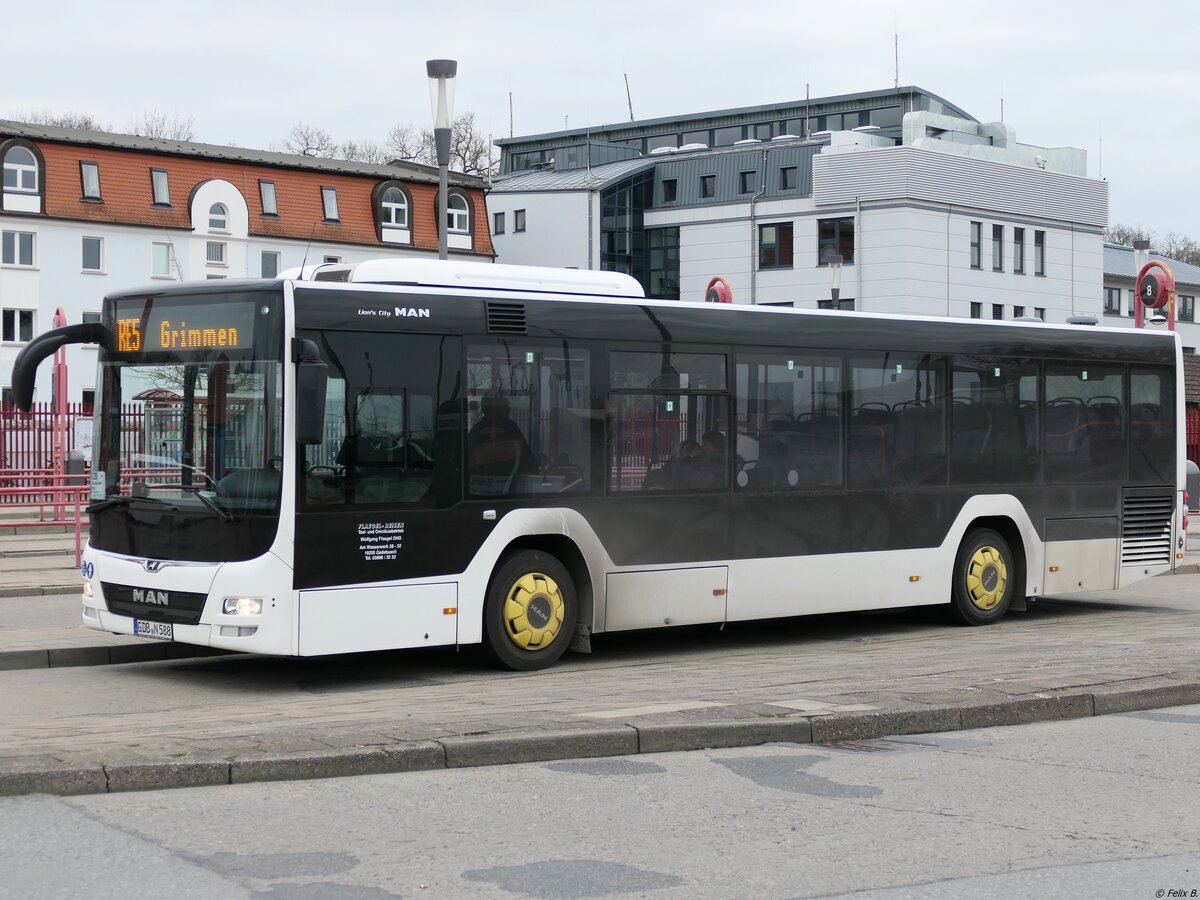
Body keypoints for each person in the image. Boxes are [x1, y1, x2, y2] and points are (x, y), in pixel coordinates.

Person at [467, 393, 538, 493]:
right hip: (509, 497)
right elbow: (527, 460)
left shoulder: (477, 430)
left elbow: (465, 459)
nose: (507, 411)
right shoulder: (511, 429)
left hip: (477, 494)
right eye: (506, 408)